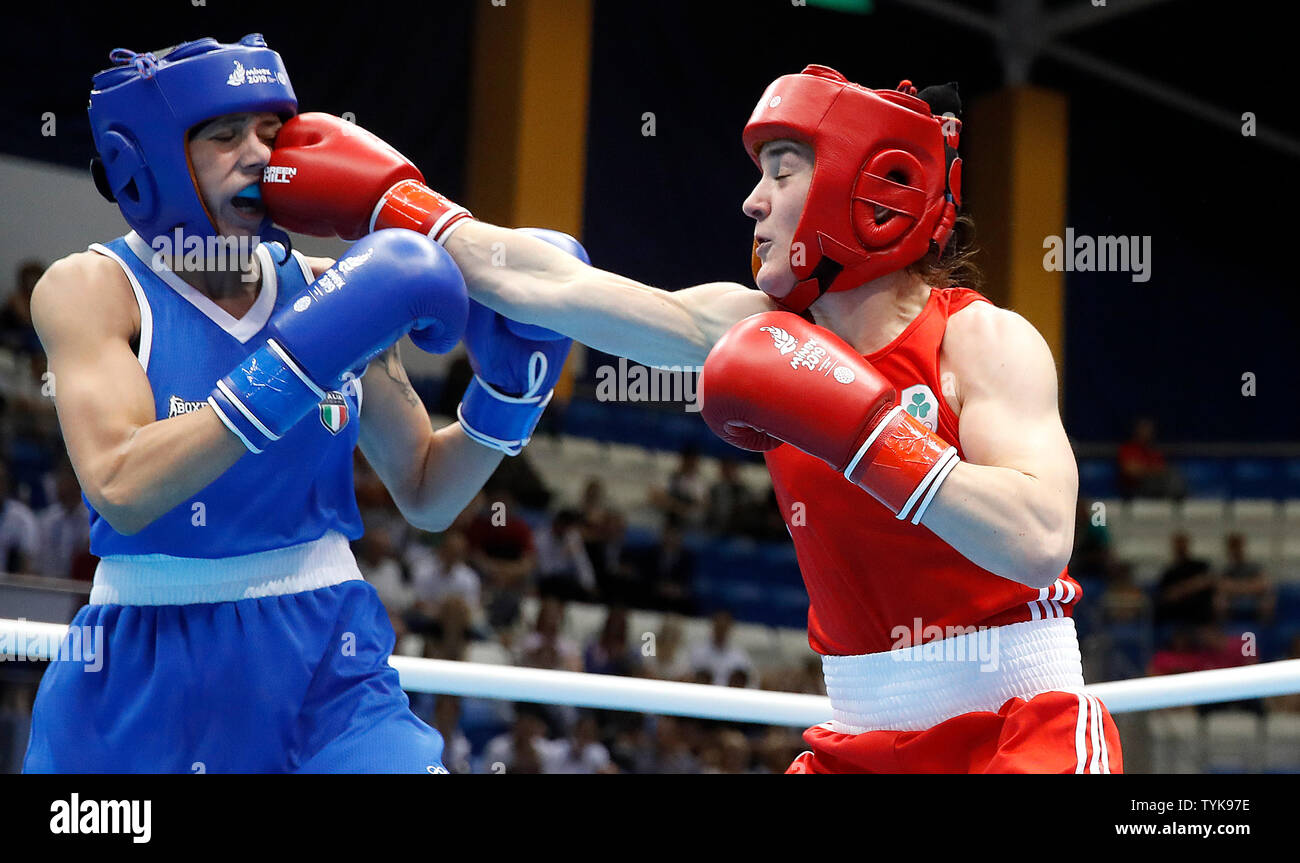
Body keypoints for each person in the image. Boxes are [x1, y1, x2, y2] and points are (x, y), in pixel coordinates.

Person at [263, 65, 1120, 772]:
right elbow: (551, 285)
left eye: (783, 172)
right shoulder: (754, 327)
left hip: (1019, 726)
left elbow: (1041, 536)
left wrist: (870, 435)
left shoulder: (983, 341)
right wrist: (397, 209)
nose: (753, 202)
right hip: (860, 739)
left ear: (871, 188)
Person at [22, 35, 577, 773]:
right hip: (147, 660)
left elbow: (425, 490)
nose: (258, 154)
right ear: (145, 161)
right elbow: (122, 488)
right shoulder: (90, 289)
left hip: (330, 655)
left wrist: (505, 399)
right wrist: (296, 363)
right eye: (225, 136)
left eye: (271, 133)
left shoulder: (335, 287)